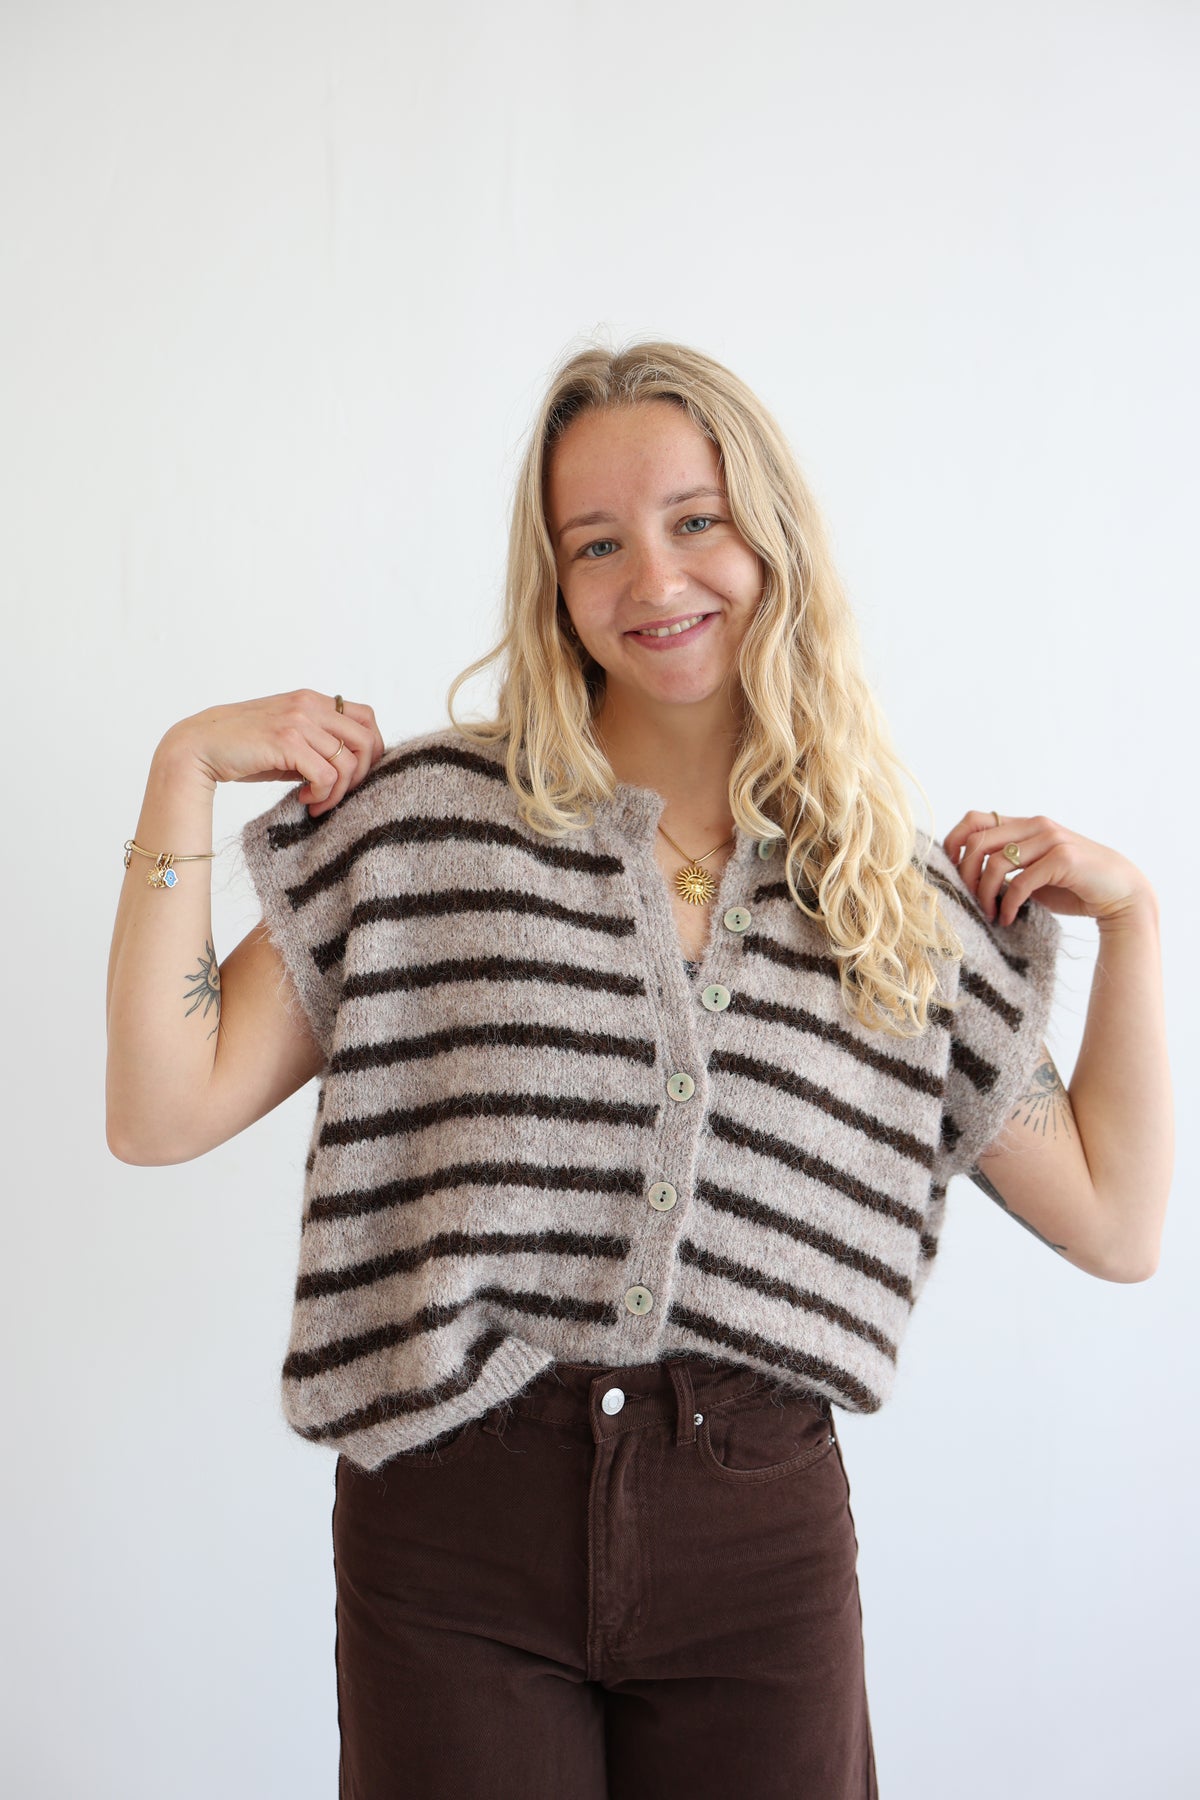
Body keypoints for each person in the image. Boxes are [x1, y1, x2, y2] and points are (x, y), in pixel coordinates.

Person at [106, 338, 1171, 1799]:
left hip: (755, 1536)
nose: (653, 579)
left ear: (772, 537)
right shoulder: (431, 828)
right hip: (452, 1516)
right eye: (595, 542)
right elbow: (160, 1108)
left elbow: (1115, 1223)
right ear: (554, 583)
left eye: (695, 521)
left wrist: (1134, 923)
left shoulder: (890, 902)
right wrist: (179, 773)